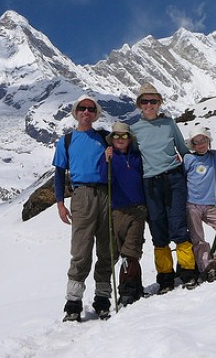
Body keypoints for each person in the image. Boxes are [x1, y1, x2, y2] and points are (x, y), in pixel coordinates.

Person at [129, 82, 198, 293]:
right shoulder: (134, 130)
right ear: (139, 104)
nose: (149, 105)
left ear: (159, 102)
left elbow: (183, 149)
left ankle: (188, 272)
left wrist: (203, 162)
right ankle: (166, 278)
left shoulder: (169, 124)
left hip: (174, 178)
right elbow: (131, 158)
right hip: (150, 183)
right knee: (158, 229)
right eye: (145, 101)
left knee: (178, 223)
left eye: (153, 101)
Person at [52, 94, 112, 322]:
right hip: (81, 195)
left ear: (95, 114)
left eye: (90, 109)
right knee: (81, 250)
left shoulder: (104, 138)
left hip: (105, 193)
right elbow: (59, 173)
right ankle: (73, 302)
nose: (86, 112)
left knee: (106, 248)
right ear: (76, 112)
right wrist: (60, 203)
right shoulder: (66, 141)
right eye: (82, 109)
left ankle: (102, 299)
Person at [99, 121, 147, 307]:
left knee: (131, 251)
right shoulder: (110, 157)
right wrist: (106, 161)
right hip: (117, 210)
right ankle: (134, 287)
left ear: (129, 138)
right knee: (125, 251)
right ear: (112, 139)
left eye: (124, 136)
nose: (120, 139)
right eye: (116, 136)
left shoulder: (136, 157)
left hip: (138, 209)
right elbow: (104, 179)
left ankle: (127, 291)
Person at [183, 125, 216, 283]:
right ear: (192, 145)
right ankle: (205, 265)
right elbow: (181, 177)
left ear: (208, 141)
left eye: (203, 140)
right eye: (197, 142)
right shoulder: (189, 159)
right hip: (192, 204)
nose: (201, 144)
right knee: (198, 238)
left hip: (209, 204)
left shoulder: (214, 156)